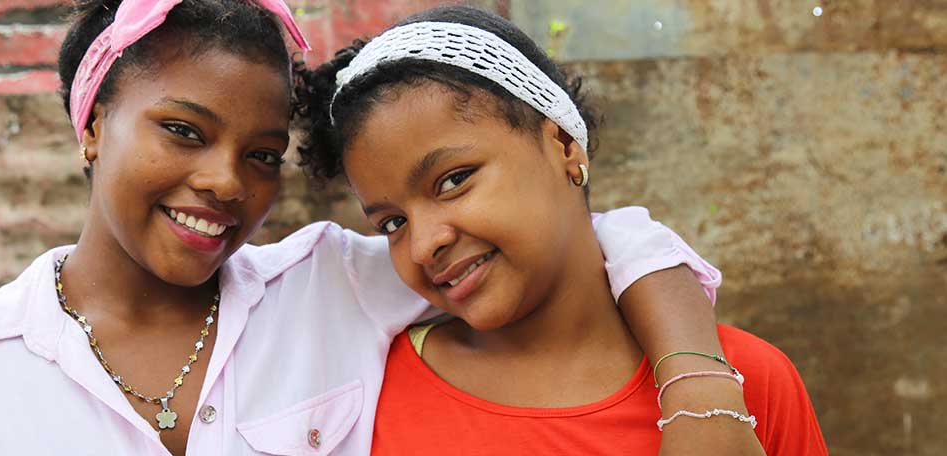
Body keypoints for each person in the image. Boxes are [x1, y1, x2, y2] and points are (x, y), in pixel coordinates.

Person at [0, 1, 747, 454]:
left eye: (260, 154)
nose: (223, 182)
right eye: (182, 130)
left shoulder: (330, 285)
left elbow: (597, 236)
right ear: (92, 126)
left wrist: (697, 386)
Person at [298, 5, 828, 455]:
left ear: (564, 148)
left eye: (453, 180)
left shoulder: (741, 387)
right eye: (392, 222)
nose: (424, 242)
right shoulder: (368, 396)